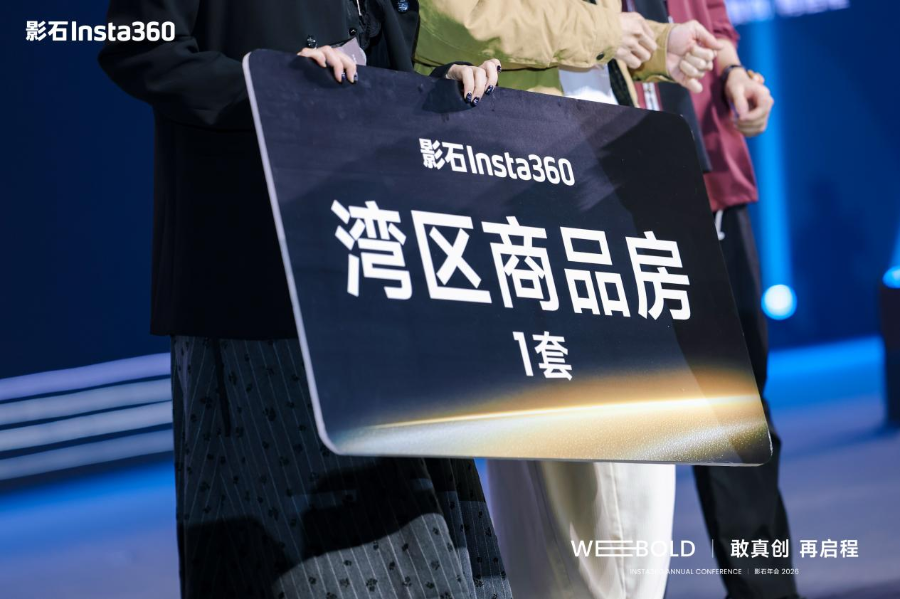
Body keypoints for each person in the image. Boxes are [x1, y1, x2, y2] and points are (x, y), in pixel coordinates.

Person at [98, 0, 511, 597]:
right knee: (305, 559)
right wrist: (271, 84)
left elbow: (373, 63)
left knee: (420, 542)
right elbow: (139, 48)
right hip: (256, 270)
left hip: (372, 268)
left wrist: (434, 90)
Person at [414, 3, 720, 598]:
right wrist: (603, 32)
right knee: (594, 500)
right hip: (527, 182)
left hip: (587, 177)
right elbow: (445, 16)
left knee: (588, 496)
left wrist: (652, 43)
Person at [665, 3, 799, 599]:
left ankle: (769, 590)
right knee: (718, 413)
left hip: (716, 168)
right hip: (632, 177)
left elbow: (713, 20)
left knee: (742, 407)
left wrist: (736, 72)